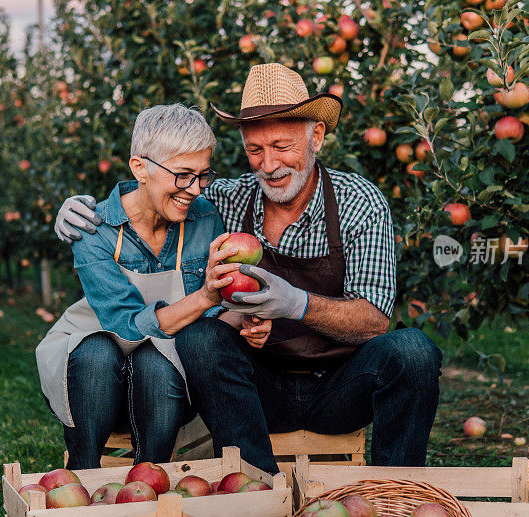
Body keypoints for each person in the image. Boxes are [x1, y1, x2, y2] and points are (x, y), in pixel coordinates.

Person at [54, 64, 443, 474]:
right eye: (255, 149)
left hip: (340, 383)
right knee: (201, 338)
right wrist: (86, 211)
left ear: (317, 137)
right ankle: (256, 487)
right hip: (256, 387)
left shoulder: (358, 203)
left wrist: (296, 304)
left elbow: (375, 322)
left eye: (282, 146)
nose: (269, 164)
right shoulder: (224, 200)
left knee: (412, 351)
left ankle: (395, 492)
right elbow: (164, 186)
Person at [36, 104, 270, 470]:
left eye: (203, 175)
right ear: (139, 168)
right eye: (182, 175)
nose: (194, 189)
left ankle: (151, 479)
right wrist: (203, 296)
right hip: (94, 382)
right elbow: (125, 324)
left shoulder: (205, 218)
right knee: (97, 352)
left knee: (155, 361)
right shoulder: (92, 227)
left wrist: (244, 320)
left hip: (166, 383)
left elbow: (213, 314)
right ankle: (82, 474)